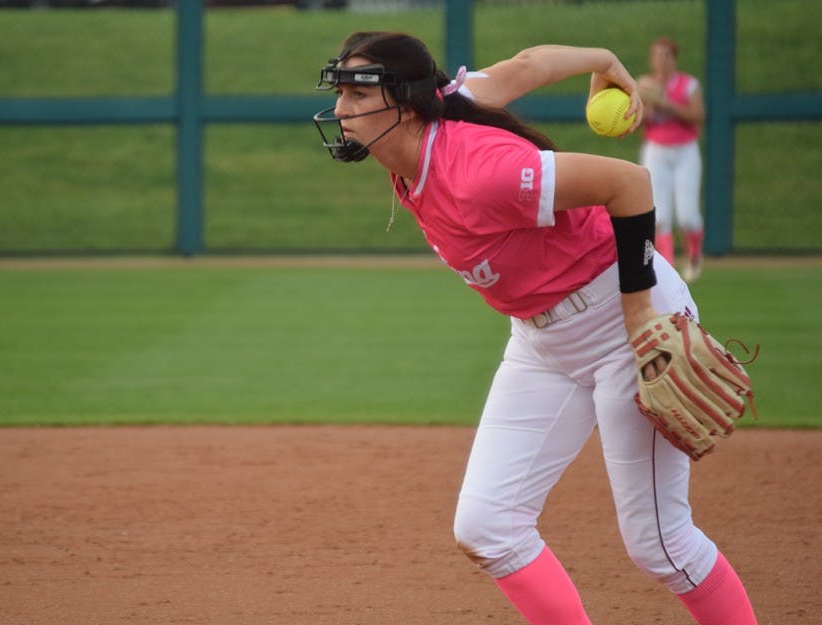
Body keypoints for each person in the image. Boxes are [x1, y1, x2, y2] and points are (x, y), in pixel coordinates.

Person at [312, 32, 757, 625]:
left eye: (355, 93)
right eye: (339, 91)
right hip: (541, 341)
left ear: (406, 102)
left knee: (659, 542)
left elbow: (629, 185)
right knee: (487, 526)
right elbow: (529, 65)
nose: (340, 109)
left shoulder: (482, 171)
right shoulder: (446, 106)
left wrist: (638, 318)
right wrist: (601, 59)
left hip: (624, 319)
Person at [637, 36, 706, 282]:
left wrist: (667, 103)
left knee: (687, 215)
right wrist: (648, 110)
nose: (661, 60)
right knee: (660, 215)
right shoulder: (644, 85)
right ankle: (667, 268)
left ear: (674, 59)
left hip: (685, 150)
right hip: (656, 149)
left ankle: (694, 254)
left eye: (666, 55)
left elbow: (698, 116)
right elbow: (635, 122)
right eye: (657, 55)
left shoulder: (688, 85)